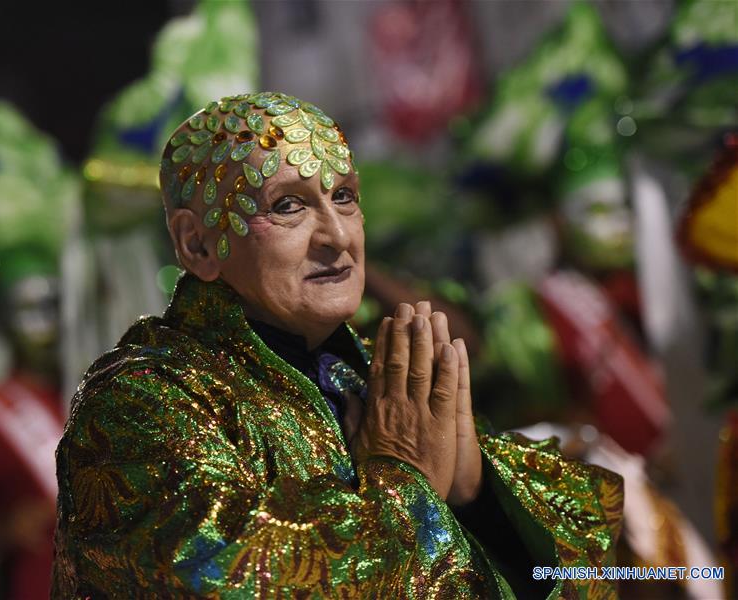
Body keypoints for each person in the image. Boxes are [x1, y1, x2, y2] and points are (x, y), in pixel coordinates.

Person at [53, 92, 624, 598]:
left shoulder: (371, 372)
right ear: (197, 244)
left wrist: (480, 496)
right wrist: (404, 483)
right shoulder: (144, 400)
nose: (337, 236)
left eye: (345, 197)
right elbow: (221, 578)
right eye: (288, 205)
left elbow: (594, 559)